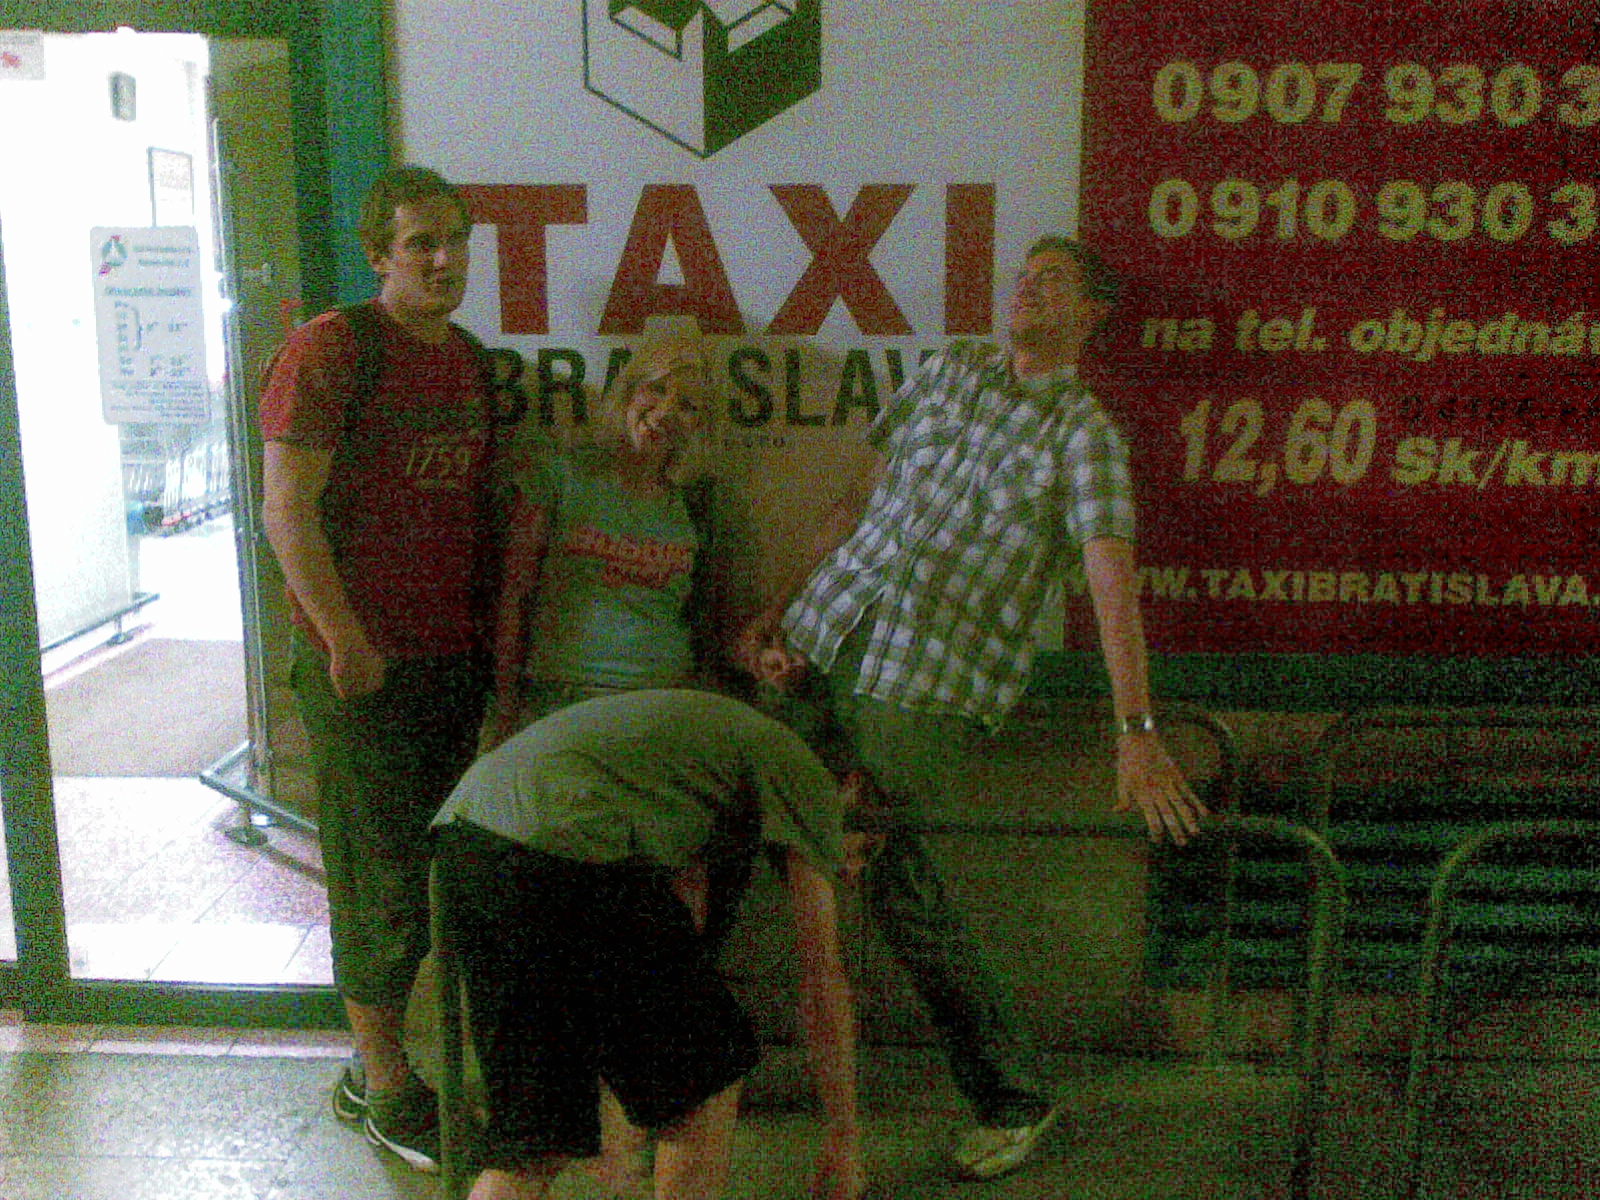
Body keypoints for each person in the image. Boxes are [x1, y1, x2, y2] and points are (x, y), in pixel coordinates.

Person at [741, 235, 1210, 1180]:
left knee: (892, 886)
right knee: (741, 825)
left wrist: (1136, 731)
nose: (1027, 289)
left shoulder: (1084, 435)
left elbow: (1108, 579)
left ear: (1091, 314)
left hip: (925, 691)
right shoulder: (949, 370)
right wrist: (778, 609)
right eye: (1024, 275)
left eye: (1054, 280)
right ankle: (674, 1069)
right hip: (821, 643)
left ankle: (1013, 1096)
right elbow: (858, 502)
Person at [260, 165, 497, 1172]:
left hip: (451, 662)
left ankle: (382, 1066)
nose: (443, 261)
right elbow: (285, 509)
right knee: (379, 882)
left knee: (433, 880)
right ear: (378, 255)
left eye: (455, 241)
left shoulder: (472, 361)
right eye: (419, 244)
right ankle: (387, 1085)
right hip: (364, 671)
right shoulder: (331, 350)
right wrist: (344, 638)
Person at [431, 688, 865, 1200]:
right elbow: (820, 975)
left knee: (536, 1141)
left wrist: (626, 1120)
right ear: (853, 785)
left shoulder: (702, 752)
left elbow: (667, 945)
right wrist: (844, 1141)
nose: (850, 863)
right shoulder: (805, 772)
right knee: (707, 1079)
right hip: (560, 842)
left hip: (470, 838)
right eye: (860, 846)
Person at [483, 334, 749, 749]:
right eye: (656, 389)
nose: (665, 412)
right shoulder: (559, 476)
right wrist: (505, 709)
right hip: (562, 700)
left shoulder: (697, 503)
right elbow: (513, 596)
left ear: (700, 425)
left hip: (663, 707)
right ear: (629, 390)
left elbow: (714, 624)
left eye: (688, 406)